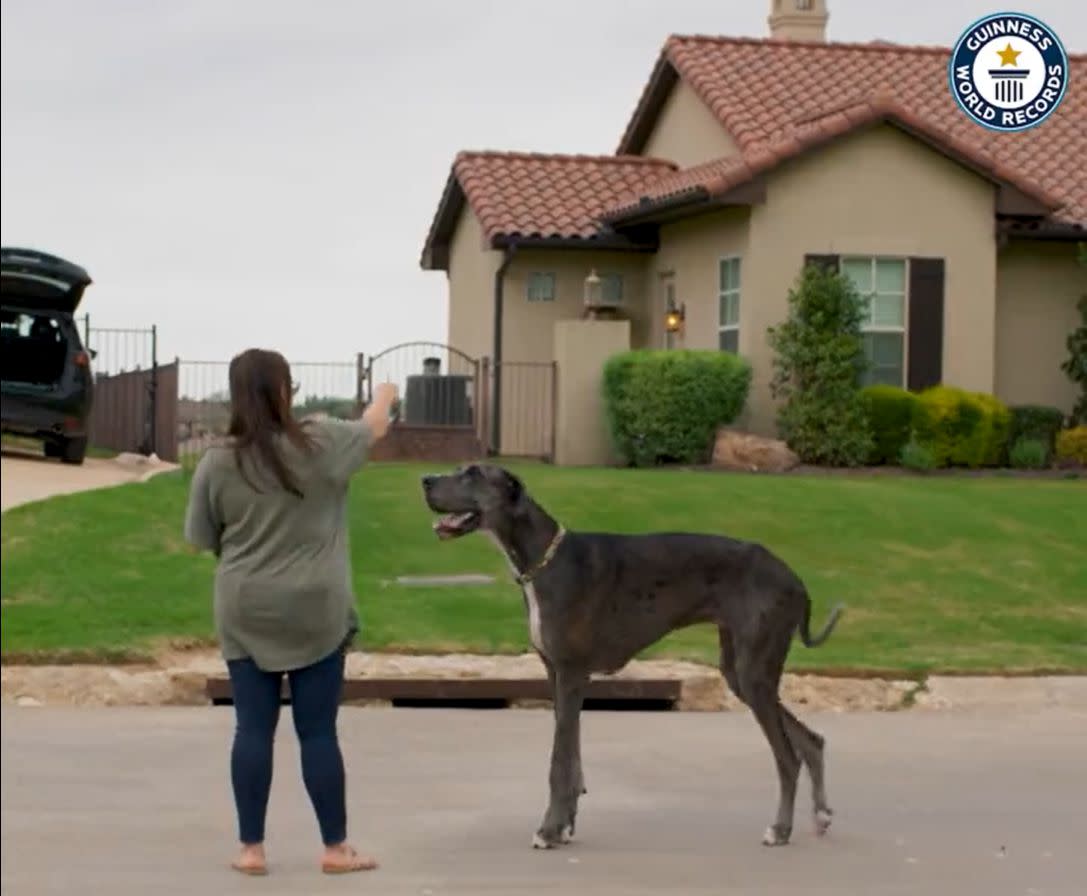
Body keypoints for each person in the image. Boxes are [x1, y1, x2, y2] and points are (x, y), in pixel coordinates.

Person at [183, 347, 398, 876]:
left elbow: (201, 537)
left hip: (245, 609)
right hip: (317, 610)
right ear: (287, 392)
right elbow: (375, 426)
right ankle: (334, 848)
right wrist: (386, 393)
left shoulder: (216, 461)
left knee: (252, 730)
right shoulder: (325, 444)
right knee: (318, 732)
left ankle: (251, 850)